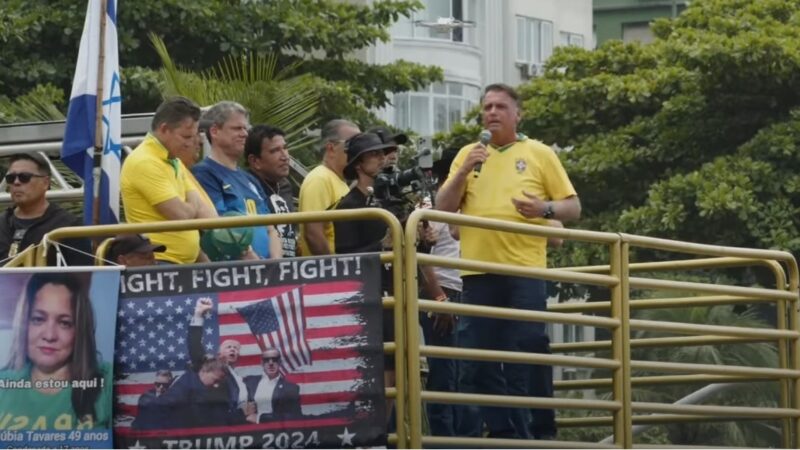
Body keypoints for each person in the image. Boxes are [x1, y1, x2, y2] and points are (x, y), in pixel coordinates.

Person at [435, 83, 581, 440]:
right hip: (478, 273)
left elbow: (573, 208)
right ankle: (504, 433)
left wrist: (544, 208)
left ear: (518, 114)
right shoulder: (470, 153)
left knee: (528, 347)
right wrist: (461, 171)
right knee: (475, 359)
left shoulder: (539, 153)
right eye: (487, 107)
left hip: (524, 271)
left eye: (500, 107)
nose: (492, 113)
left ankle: (539, 430)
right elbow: (443, 208)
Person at [0, 273, 112, 429]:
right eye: (38, 319)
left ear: (79, 330)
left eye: (64, 323)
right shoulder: (3, 384)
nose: (49, 335)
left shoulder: (107, 381)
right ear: (24, 323)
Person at [120, 97, 214, 264]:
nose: (191, 143)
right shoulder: (144, 161)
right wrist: (191, 204)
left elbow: (206, 216)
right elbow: (182, 216)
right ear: (164, 129)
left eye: (193, 136)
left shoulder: (173, 160)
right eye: (186, 137)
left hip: (183, 263)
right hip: (159, 264)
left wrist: (207, 266)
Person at [192, 101, 282, 260]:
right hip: (236, 273)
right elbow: (219, 228)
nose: (245, 134)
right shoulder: (204, 174)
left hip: (268, 273)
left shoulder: (250, 179)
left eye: (245, 128)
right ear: (214, 131)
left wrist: (275, 263)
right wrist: (251, 259)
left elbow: (271, 228)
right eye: (237, 128)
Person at [0, 153, 92, 266]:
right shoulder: (2, 223)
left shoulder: (68, 226)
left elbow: (84, 278)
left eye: (24, 177)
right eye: (11, 178)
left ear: (45, 183)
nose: (16, 182)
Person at [297, 119, 360, 256]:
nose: (358, 150)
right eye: (352, 144)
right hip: (328, 274)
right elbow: (313, 233)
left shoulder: (339, 181)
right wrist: (334, 267)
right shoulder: (319, 178)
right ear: (331, 148)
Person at [190, 298, 249, 423]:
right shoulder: (212, 367)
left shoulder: (239, 378)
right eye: (229, 347)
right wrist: (199, 315)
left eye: (236, 348)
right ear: (218, 353)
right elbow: (195, 347)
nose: (233, 349)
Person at [245, 125, 298, 258]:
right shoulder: (246, 188)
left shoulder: (285, 185)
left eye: (285, 148)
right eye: (275, 151)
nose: (285, 156)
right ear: (255, 161)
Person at [148, 355, 230, 429]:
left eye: (220, 382)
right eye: (215, 380)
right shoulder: (185, 387)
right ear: (203, 371)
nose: (217, 385)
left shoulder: (199, 385)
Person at [243, 348, 302, 423]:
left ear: (280, 362)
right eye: (266, 360)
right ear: (261, 363)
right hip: (249, 431)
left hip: (276, 432)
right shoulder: (248, 382)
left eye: (275, 359)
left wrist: (260, 419)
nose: (271, 363)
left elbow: (295, 417)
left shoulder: (291, 389)